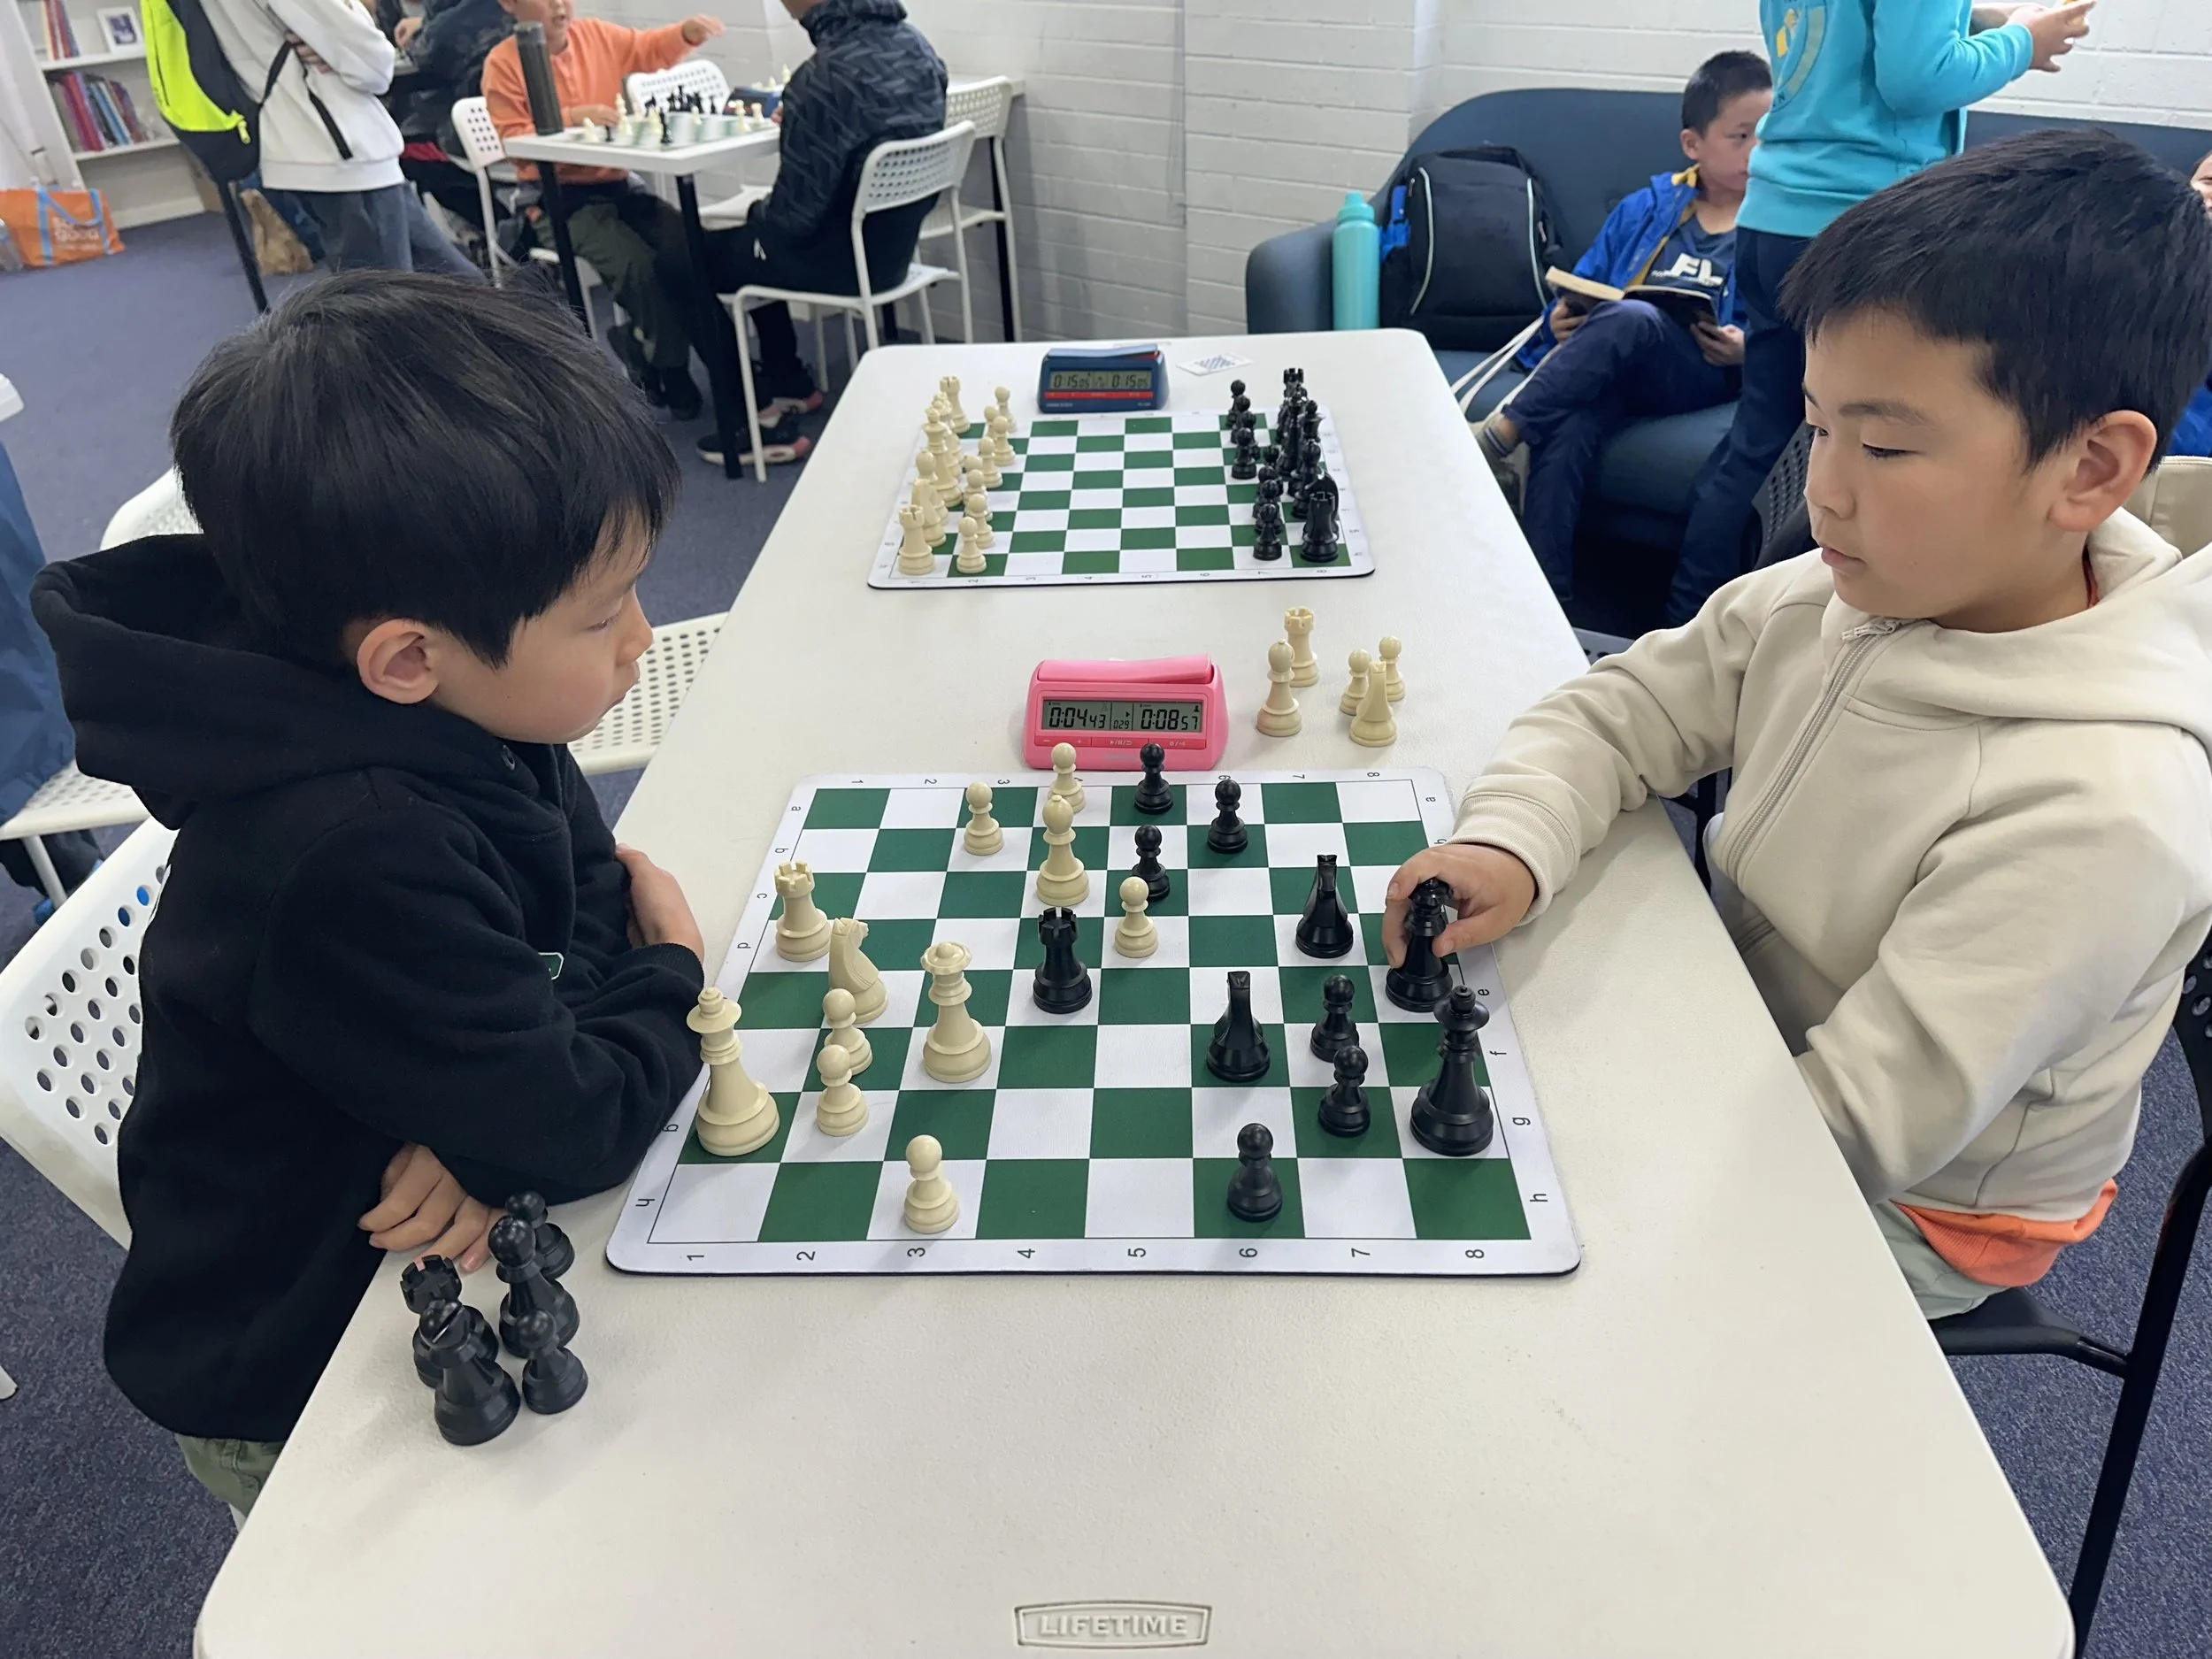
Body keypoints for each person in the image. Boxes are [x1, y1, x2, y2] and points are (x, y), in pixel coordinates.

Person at [1384, 133, 2212, 1320]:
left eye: (1883, 444)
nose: (1822, 487)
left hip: (1919, 1203)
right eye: (1817, 427)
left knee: (1515, 1308)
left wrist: (1584, 1129)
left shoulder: (2102, 808)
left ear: (2088, 469)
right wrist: (1510, 839)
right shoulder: (1847, 591)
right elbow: (1623, 707)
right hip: (1747, 1021)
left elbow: (1850, 1128)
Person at [29, 275, 708, 1516]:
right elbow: (578, 1121)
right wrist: (672, 975)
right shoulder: (355, 850)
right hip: (299, 1354)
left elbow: (577, 900)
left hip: (402, 1215)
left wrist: (487, 1126)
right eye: (603, 613)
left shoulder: (468, 708)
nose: (639, 641)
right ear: (404, 658)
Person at [1663, 0, 2094, 626]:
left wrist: (1970, 18)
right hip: (1857, 227)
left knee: (1760, 440)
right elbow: (1917, 80)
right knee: (1860, 451)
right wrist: (2025, 42)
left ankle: (1690, 628)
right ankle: (1798, 640)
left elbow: (1845, 39)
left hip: (1774, 215)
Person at [1475, 51, 1771, 597]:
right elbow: (1585, 283)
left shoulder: (1774, 220)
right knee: (1569, 425)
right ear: (1693, 144)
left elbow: (1790, 324)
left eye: (1766, 134)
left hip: (1703, 370)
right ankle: (1547, 602)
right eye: (1740, 136)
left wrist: (1746, 349)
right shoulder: (1647, 207)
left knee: (1634, 318)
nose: (1757, 149)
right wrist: (1560, 322)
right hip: (1616, 365)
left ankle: (1500, 435)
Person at [700, 0, 946, 469]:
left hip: (835, 264)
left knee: (694, 257)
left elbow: (791, 220)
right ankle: (789, 380)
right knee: (750, 238)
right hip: (894, 253)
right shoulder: (918, 49)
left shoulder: (821, 78)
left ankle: (751, 421)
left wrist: (753, 210)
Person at [481, 0, 725, 419]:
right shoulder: (503, 64)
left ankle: (664, 353)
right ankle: (671, 368)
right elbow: (514, 140)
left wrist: (684, 34)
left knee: (686, 249)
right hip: (557, 200)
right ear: (510, 4)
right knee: (636, 267)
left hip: (619, 186)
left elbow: (647, 48)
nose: (559, 5)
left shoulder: (596, 35)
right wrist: (576, 117)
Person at [198, 0, 481, 274]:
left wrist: (340, 44)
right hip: (338, 147)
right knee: (388, 297)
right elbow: (374, 64)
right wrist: (350, 25)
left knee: (457, 285)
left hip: (312, 140)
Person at [388, 0, 512, 242]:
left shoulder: (445, 28)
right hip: (524, 130)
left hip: (484, 138)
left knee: (397, 152)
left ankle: (500, 234)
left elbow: (421, 54)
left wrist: (427, 25)